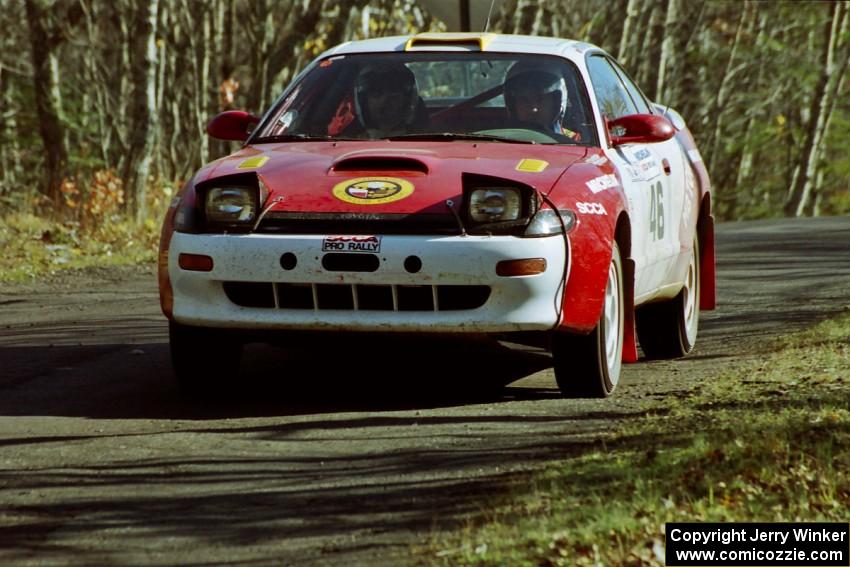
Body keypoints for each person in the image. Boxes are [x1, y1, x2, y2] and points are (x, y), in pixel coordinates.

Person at [503, 61, 581, 141]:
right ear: (512, 105)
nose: (534, 108)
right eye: (525, 100)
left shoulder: (574, 142)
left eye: (540, 99)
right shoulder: (499, 139)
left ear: (556, 102)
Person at [352, 62, 424, 138]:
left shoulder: (425, 140)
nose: (385, 101)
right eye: (377, 95)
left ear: (407, 100)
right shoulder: (347, 142)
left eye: (393, 95)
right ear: (364, 103)